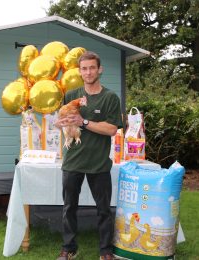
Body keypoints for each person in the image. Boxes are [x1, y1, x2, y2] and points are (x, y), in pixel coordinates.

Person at [55, 51, 123, 260]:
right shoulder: (71, 95)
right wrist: (61, 123)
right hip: (73, 160)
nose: (88, 72)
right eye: (84, 68)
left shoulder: (110, 97)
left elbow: (112, 129)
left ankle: (105, 251)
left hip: (98, 162)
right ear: (79, 71)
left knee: (103, 210)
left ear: (99, 69)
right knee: (69, 208)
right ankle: (69, 248)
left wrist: (83, 122)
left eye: (92, 67)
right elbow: (61, 122)